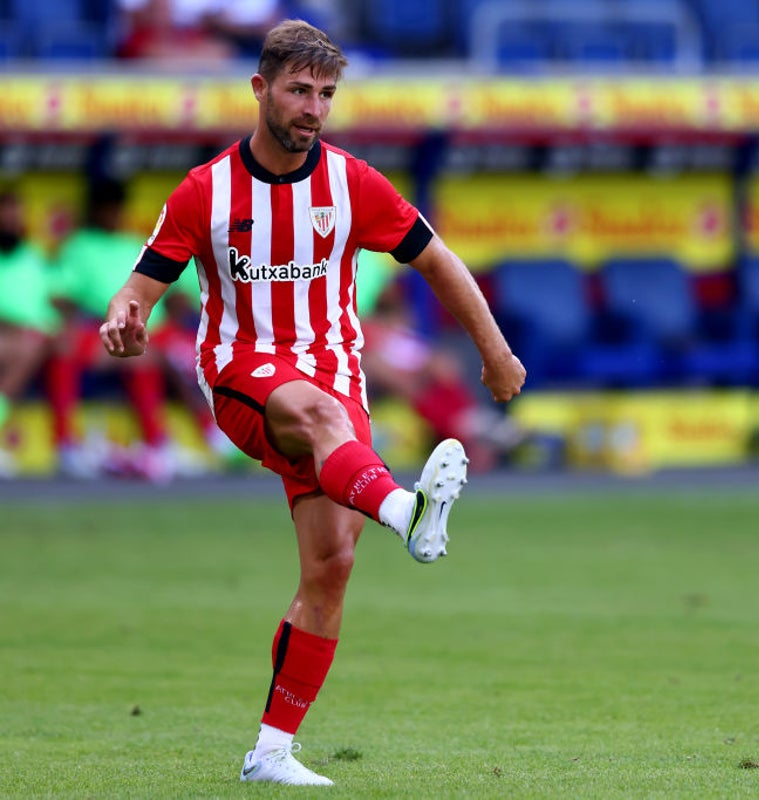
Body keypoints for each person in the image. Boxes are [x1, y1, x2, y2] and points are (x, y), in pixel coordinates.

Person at [99, 20, 525, 786]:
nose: (314, 108)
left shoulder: (354, 184)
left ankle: (270, 753)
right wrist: (125, 317)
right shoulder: (205, 191)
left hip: (336, 377)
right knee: (323, 421)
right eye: (299, 90)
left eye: (326, 94)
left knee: (331, 565)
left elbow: (438, 260)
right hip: (242, 374)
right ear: (259, 88)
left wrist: (496, 353)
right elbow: (140, 287)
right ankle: (407, 512)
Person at [49, 178, 175, 481]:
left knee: (169, 350)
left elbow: (168, 293)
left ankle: (160, 444)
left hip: (148, 329)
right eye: (108, 209)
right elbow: (61, 295)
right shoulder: (79, 245)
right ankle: (66, 444)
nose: (113, 214)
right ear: (96, 210)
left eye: (117, 208)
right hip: (98, 327)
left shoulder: (136, 243)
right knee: (64, 346)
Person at [357, 252, 525, 471]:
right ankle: (471, 429)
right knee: (398, 376)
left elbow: (395, 309)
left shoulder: (374, 265)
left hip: (389, 348)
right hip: (362, 359)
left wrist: (392, 326)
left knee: (442, 365)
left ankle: (471, 424)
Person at [0, 190, 58, 476]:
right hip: (6, 333)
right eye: (5, 218)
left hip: (28, 337)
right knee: (25, 348)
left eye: (16, 218)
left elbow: (48, 306)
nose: (11, 223)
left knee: (37, 346)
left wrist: (51, 329)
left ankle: (67, 442)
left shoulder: (33, 256)